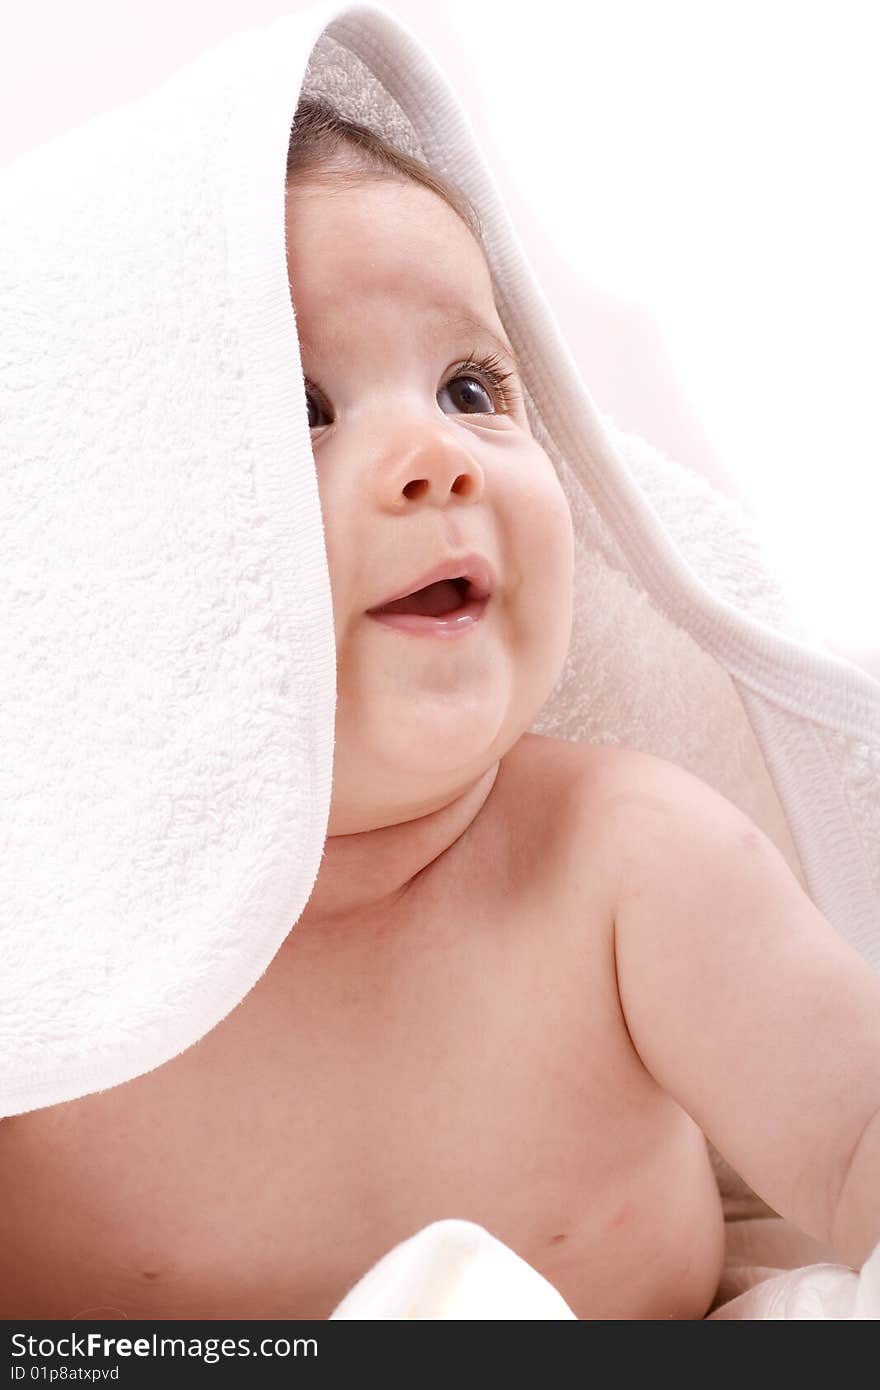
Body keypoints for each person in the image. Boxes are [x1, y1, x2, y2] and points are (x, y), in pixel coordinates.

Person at [0, 96, 877, 1322]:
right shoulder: (42, 938)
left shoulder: (624, 863)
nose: (437, 451)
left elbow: (861, 1141)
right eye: (299, 407)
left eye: (470, 387)